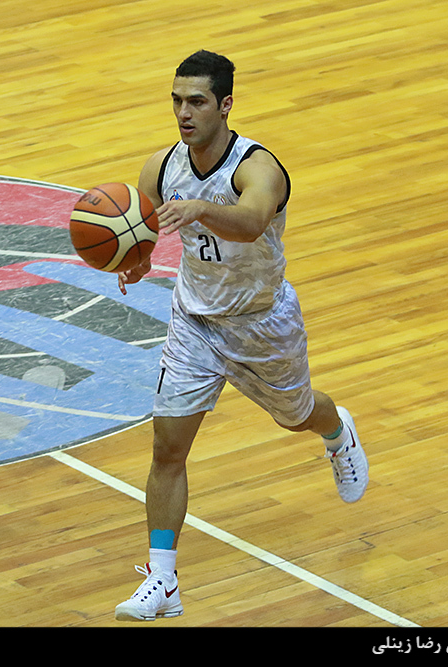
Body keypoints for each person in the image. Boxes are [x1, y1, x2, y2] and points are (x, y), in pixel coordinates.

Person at [113, 50, 368, 621]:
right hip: (196, 321)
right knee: (167, 449)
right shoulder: (159, 167)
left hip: (262, 323)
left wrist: (203, 207)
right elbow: (152, 228)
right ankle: (163, 580)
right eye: (177, 100)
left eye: (197, 102)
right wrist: (135, 259)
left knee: (297, 414)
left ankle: (337, 431)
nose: (184, 112)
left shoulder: (257, 168)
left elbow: (252, 223)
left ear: (225, 104)